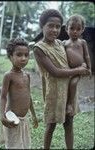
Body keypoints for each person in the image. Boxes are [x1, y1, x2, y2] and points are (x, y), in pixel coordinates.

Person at [33, 9, 90, 149]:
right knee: (50, 125)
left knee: (69, 123)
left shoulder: (60, 43)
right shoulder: (39, 48)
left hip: (68, 90)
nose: (54, 30)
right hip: (54, 92)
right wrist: (79, 70)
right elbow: (56, 72)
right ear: (42, 26)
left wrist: (83, 64)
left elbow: (71, 59)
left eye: (58, 26)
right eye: (50, 26)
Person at [0, 38, 38, 149]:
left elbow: (28, 96)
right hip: (12, 119)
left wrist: (34, 115)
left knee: (24, 144)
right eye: (19, 55)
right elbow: (3, 97)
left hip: (24, 119)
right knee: (13, 145)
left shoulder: (27, 75)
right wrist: (2, 116)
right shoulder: (8, 76)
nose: (23, 58)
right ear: (10, 57)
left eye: (26, 55)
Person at [62, 14, 91, 116]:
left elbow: (87, 56)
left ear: (82, 30)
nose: (75, 31)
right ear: (66, 29)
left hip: (80, 68)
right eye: (72, 28)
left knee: (73, 84)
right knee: (65, 86)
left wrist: (89, 68)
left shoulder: (82, 42)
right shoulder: (64, 43)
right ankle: (65, 102)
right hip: (68, 70)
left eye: (78, 29)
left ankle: (69, 104)